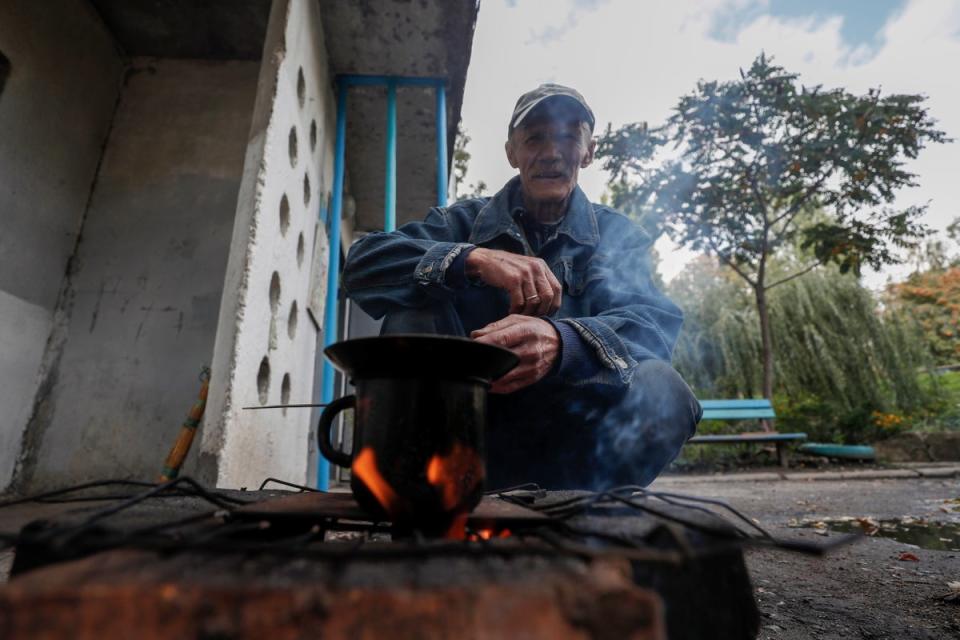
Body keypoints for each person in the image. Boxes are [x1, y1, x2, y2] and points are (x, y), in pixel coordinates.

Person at [342, 84, 701, 489]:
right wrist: (471, 259)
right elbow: (361, 264)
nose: (551, 152)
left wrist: (566, 342)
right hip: (465, 445)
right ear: (512, 152)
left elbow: (653, 327)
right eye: (534, 138)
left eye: (568, 136)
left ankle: (588, 528)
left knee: (664, 389)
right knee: (412, 311)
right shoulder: (460, 224)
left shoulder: (619, 235)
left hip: (577, 454)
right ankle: (425, 522)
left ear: (589, 150)